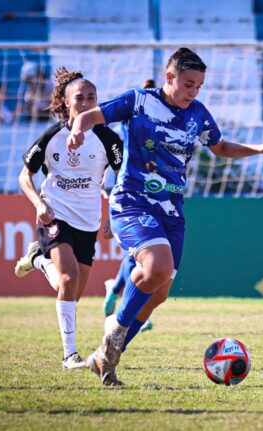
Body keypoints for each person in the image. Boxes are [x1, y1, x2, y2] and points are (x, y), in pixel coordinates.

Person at [66, 48, 263, 386]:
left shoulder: (197, 113)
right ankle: (114, 329)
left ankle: (105, 359)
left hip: (172, 212)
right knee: (156, 267)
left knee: (158, 293)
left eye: (199, 86)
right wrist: (77, 129)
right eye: (188, 84)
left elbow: (220, 148)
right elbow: (90, 116)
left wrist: (257, 149)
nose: (193, 92)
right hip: (132, 201)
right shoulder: (138, 101)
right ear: (169, 77)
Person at [15, 66, 123, 369]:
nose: (87, 103)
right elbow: (26, 176)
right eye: (80, 98)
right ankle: (69, 356)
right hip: (56, 213)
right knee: (67, 278)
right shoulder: (52, 137)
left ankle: (38, 260)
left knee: (73, 292)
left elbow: (123, 178)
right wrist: (38, 203)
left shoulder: (108, 139)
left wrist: (115, 214)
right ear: (65, 103)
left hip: (88, 220)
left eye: (92, 97)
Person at [102, 78, 157, 335]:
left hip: (150, 191)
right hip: (128, 186)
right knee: (141, 256)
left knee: (142, 256)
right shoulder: (131, 121)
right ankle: (124, 305)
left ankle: (116, 292)